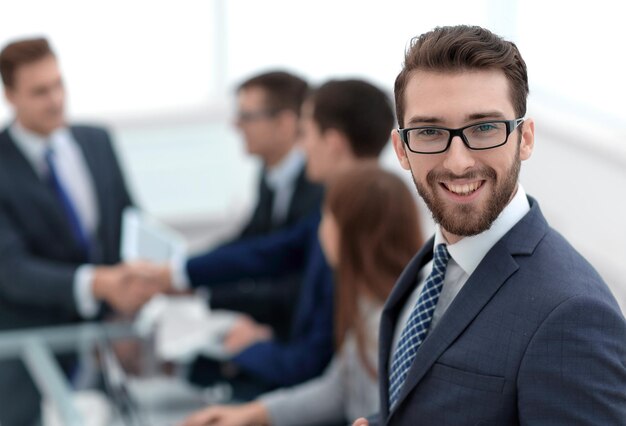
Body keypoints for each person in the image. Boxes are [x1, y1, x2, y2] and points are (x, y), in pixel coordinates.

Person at [353, 25, 626, 426]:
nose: (458, 162)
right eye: (429, 132)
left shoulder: (572, 313)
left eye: (484, 128)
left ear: (525, 138)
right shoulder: (435, 263)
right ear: (402, 149)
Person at [159, 79, 395, 400]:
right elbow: (267, 251)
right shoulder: (335, 209)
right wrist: (177, 274)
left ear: (334, 143)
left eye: (306, 133)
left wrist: (250, 349)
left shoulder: (352, 226)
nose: (303, 146)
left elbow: (313, 362)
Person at [179, 164, 423, 426]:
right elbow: (337, 390)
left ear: (351, 234)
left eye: (326, 216)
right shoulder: (369, 305)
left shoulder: (391, 323)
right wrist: (251, 414)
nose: (320, 228)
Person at [0, 37, 159, 425]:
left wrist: (125, 308)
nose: (55, 100)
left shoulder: (96, 141)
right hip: (28, 355)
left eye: (58, 85)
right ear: (10, 95)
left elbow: (128, 225)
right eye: (39, 91)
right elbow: (11, 269)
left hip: (104, 346)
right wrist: (98, 284)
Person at [207, 70, 323, 339]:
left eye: (246, 117)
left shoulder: (319, 187)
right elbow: (249, 241)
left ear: (284, 123)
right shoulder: (269, 173)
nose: (235, 126)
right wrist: (184, 271)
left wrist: (204, 292)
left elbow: (297, 284)